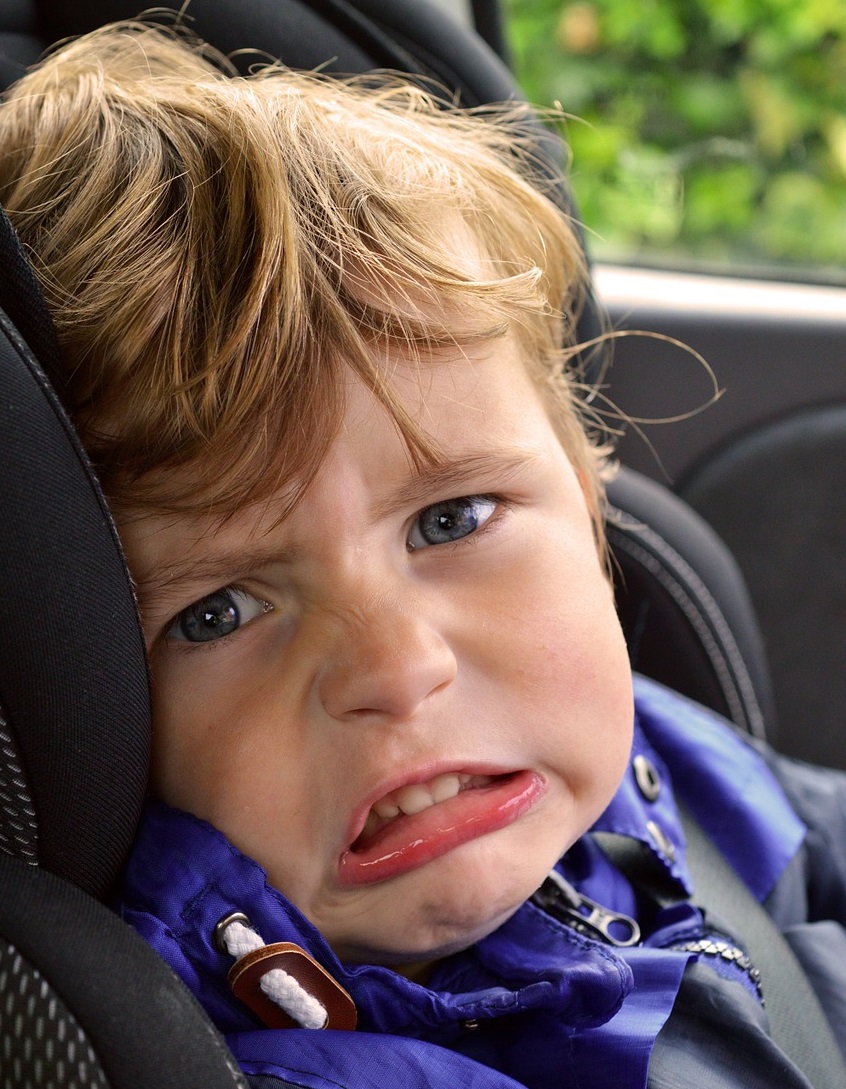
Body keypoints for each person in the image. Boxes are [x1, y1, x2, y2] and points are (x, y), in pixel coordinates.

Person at [1, 20, 845, 1089]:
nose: (396, 671)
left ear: (587, 503)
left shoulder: (667, 771)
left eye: (452, 521)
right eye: (217, 612)